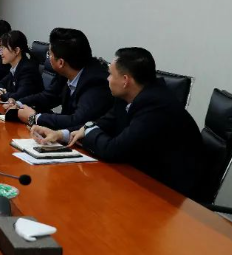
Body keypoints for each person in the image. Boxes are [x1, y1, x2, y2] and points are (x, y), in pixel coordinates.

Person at [30, 47, 204, 199]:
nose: (107, 79)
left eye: (111, 74)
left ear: (125, 80)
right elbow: (104, 122)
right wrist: (62, 134)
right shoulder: (127, 95)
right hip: (137, 175)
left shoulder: (155, 106)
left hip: (168, 194)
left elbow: (112, 149)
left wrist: (88, 130)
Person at [10, 28, 113, 129]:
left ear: (60, 63)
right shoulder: (67, 70)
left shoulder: (96, 82)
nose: (48, 58)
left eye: (49, 54)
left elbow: (77, 121)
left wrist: (35, 118)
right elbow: (48, 96)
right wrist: (19, 103)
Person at [0, 30, 43, 101]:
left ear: (16, 50)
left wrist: (1, 95)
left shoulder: (27, 69)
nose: (0, 53)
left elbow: (19, 96)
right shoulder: (15, 67)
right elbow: (1, 83)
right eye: (0, 48)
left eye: (3, 48)